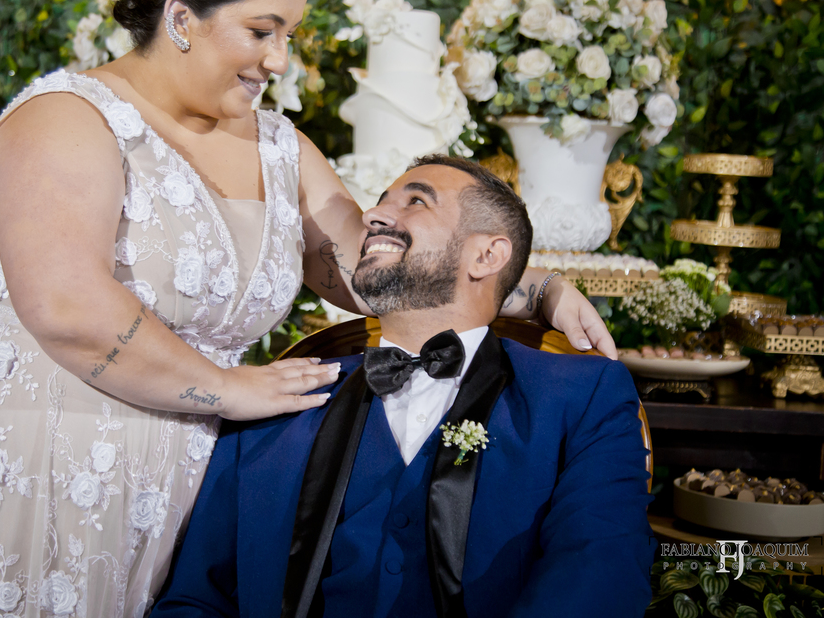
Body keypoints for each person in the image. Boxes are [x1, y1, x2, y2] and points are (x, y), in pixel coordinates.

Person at [0, 0, 616, 618]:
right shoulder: (67, 118)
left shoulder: (278, 145)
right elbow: (64, 306)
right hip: (40, 452)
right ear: (181, 16)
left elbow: (377, 268)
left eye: (289, 34)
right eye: (262, 30)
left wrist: (531, 288)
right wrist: (227, 388)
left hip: (186, 473)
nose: (279, 59)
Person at [152, 155, 655, 618]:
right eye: (380, 201)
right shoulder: (277, 402)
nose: (372, 215)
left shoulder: (580, 397)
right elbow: (196, 600)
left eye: (416, 201)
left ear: (486, 255)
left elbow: (600, 574)